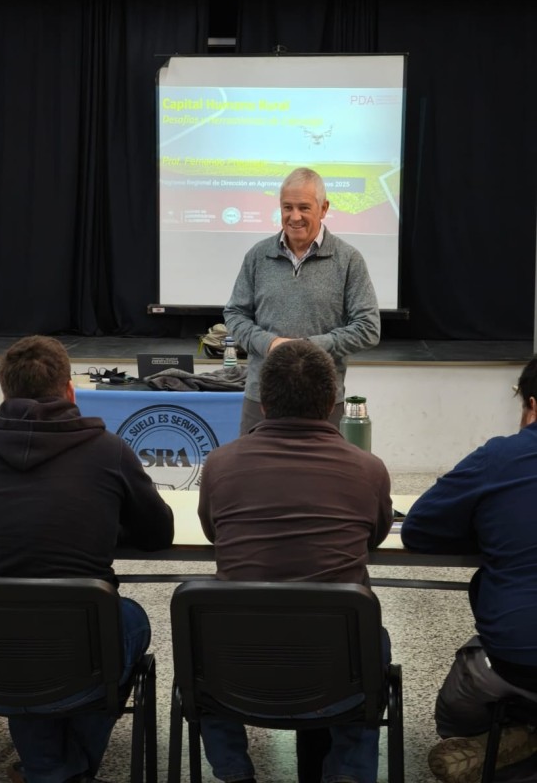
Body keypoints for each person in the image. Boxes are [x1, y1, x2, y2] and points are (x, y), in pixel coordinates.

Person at [0, 335, 174, 783]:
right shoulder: (109, 450)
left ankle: (51, 769)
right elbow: (159, 535)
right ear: (69, 390)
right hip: (75, 645)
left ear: (4, 391)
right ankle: (61, 771)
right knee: (126, 622)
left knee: (26, 625)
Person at [197, 339, 393, 783]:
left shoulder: (219, 464)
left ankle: (234, 771)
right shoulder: (369, 469)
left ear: (263, 404)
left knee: (201, 641)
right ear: (331, 404)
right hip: (336, 667)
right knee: (372, 640)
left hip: (236, 665)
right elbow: (375, 537)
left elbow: (212, 533)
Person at [401, 357, 537, 783]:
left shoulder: (502, 456)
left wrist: (492, 532)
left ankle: (514, 739)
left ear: (531, 406)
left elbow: (417, 529)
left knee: (454, 711)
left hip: (519, 660)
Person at [223, 166, 380, 435]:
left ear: (324, 208)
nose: (294, 217)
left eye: (304, 208)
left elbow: (368, 328)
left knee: (324, 477)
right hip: (261, 399)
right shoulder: (258, 256)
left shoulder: (349, 260)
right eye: (287, 207)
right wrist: (270, 344)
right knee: (258, 474)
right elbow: (235, 314)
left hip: (324, 401)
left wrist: (308, 349)